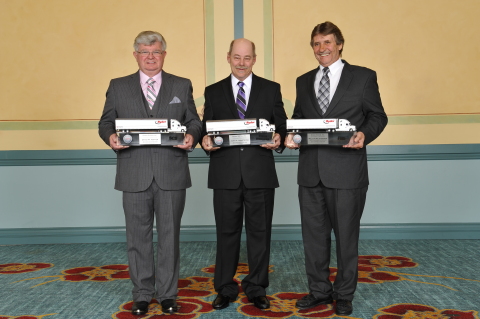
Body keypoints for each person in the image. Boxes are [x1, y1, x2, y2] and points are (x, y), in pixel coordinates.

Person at [285, 22, 388, 316]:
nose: (322, 49)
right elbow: (298, 118)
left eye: (327, 42)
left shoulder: (364, 77)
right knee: (313, 237)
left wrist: (364, 135)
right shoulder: (303, 80)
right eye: (316, 44)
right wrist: (291, 136)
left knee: (346, 237)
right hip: (310, 171)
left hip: (347, 172)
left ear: (340, 44)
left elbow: (377, 116)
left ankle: (344, 294)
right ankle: (318, 291)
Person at [98, 31, 201, 315]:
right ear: (135, 55)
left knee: (170, 237)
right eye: (145, 52)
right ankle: (142, 294)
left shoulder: (182, 84)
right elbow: (105, 123)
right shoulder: (118, 86)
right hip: (133, 173)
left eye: (156, 51)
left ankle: (168, 295)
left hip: (171, 173)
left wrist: (192, 136)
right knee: (137, 237)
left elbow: (194, 121)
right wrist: (110, 138)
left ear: (164, 54)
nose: (151, 57)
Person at [201, 38, 287, 310]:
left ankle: (257, 287)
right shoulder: (212, 91)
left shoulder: (271, 89)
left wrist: (278, 137)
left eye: (247, 57)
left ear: (254, 59)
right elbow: (206, 130)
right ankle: (225, 288)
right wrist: (204, 140)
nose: (241, 62)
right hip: (225, 174)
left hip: (259, 173)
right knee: (226, 233)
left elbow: (282, 125)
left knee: (260, 233)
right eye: (236, 57)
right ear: (228, 58)